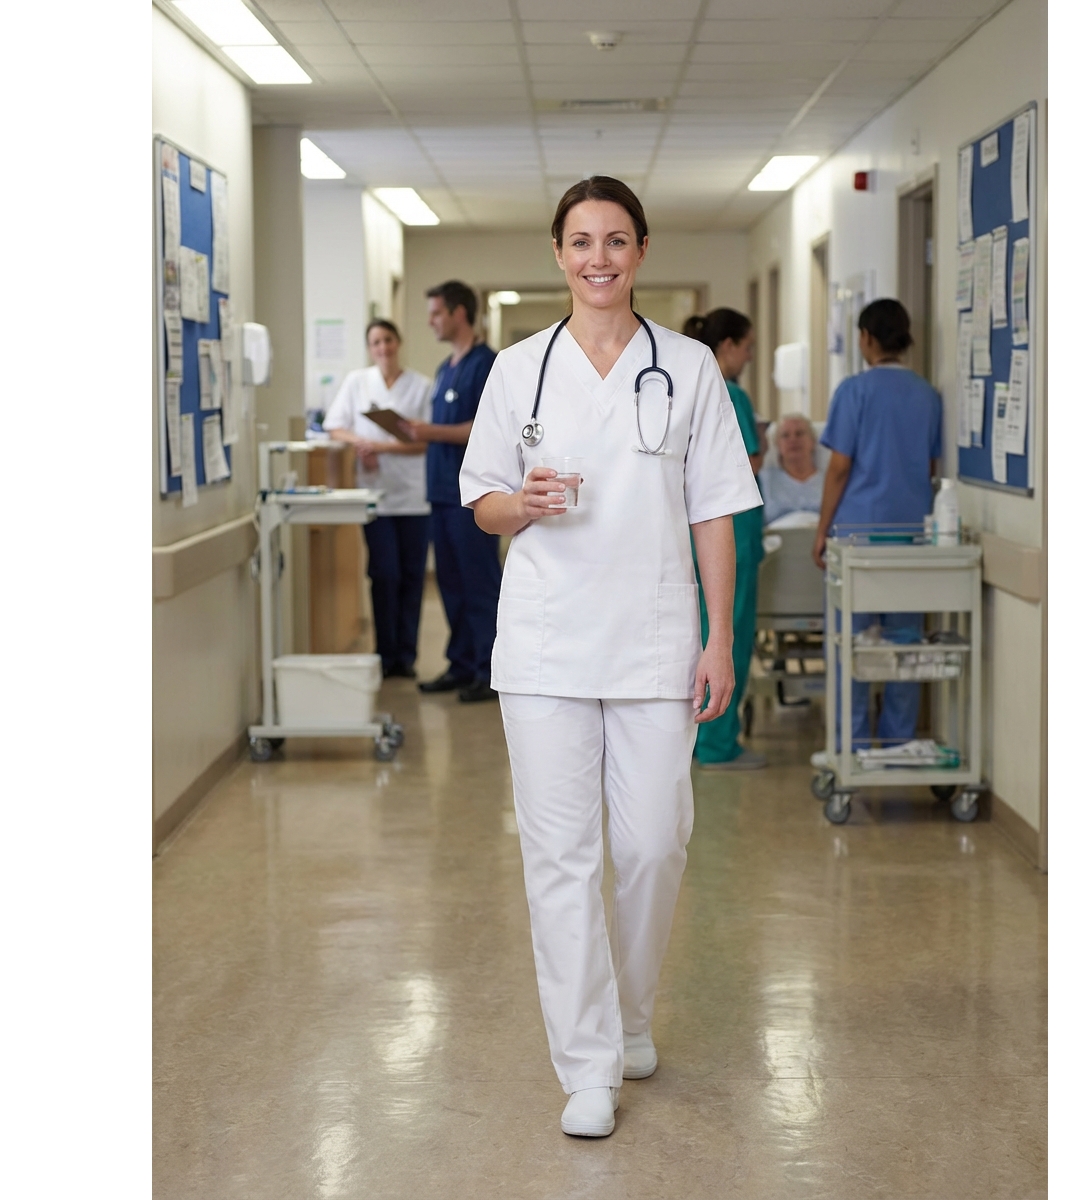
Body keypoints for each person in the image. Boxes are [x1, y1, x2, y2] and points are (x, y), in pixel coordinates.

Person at [460, 177, 761, 1138]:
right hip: (546, 644)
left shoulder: (689, 367)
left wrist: (719, 636)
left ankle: (631, 1015)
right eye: (582, 241)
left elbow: (716, 509)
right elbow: (482, 501)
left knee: (653, 845)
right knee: (561, 858)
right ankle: (587, 1064)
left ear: (641, 252)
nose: (599, 258)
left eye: (617, 240)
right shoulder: (519, 369)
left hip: (655, 640)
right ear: (558, 253)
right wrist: (523, 503)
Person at [812, 298, 942, 749]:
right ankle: (899, 743)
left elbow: (839, 468)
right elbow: (929, 466)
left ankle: (850, 746)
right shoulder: (927, 394)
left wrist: (822, 531)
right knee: (904, 645)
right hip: (913, 537)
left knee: (848, 644)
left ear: (866, 338)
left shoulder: (854, 391)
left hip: (857, 538)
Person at [399, 282, 501, 703]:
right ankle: (461, 664)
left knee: (478, 584)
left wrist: (430, 432)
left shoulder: (487, 364)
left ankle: (489, 670)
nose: (430, 322)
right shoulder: (445, 368)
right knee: (450, 584)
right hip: (441, 492)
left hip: (474, 497)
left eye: (437, 313)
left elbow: (486, 426)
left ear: (459, 313)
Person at [323, 319, 432, 678]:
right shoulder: (358, 382)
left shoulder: (421, 386)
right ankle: (385, 654)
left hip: (414, 497)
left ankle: (406, 657)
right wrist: (360, 444)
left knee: (412, 577)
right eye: (375, 342)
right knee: (385, 575)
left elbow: (424, 442)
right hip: (376, 497)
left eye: (388, 340)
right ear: (369, 348)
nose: (383, 347)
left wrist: (380, 446)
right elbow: (334, 426)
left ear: (398, 342)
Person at [684, 308, 766, 771]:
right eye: (747, 347)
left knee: (702, 633)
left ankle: (700, 739)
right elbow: (746, 462)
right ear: (729, 345)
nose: (749, 357)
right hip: (734, 532)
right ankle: (719, 744)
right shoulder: (729, 392)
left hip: (698, 532)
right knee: (727, 634)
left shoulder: (690, 383)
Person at [757, 414, 825, 525]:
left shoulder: (830, 482)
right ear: (777, 444)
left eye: (799, 434)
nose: (793, 440)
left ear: (813, 441)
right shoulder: (764, 480)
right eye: (785, 435)